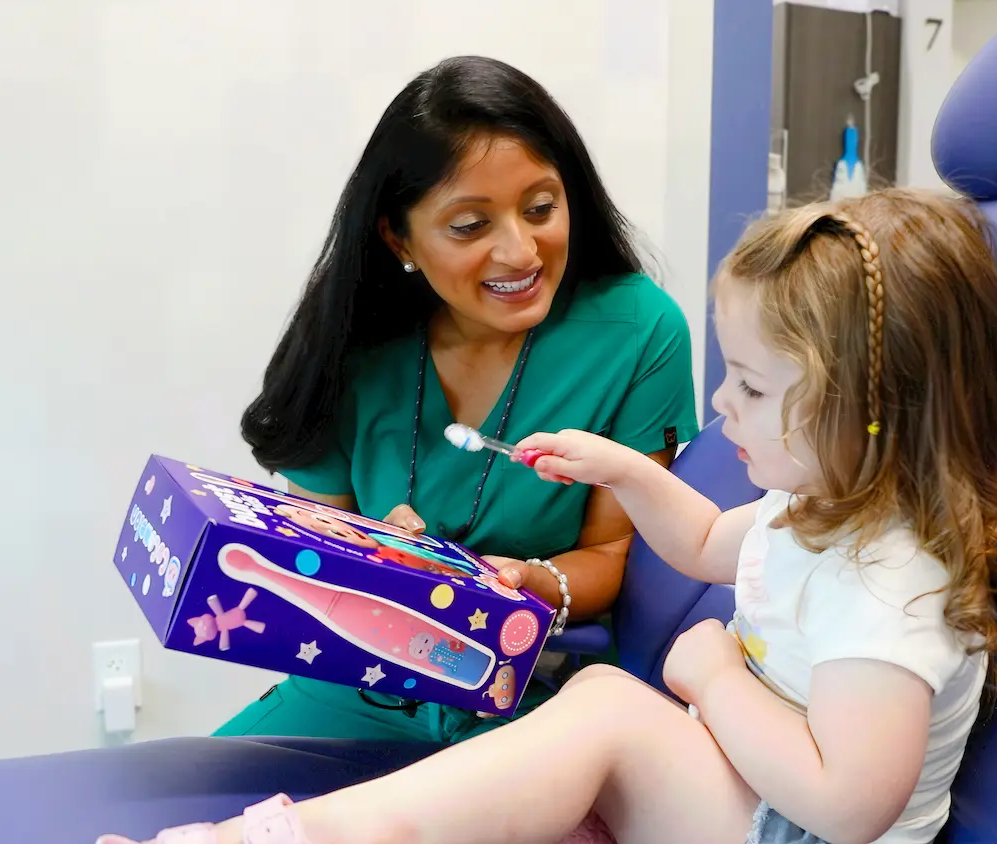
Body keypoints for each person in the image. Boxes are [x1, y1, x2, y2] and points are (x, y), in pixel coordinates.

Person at [100, 187, 997, 844]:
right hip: (745, 795)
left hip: (797, 829)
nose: (722, 408)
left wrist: (717, 680)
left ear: (878, 406)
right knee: (596, 715)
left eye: (752, 388)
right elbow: (712, 541)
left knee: (608, 715)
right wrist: (625, 470)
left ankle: (282, 839)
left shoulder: (893, 588)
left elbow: (848, 806)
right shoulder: (820, 504)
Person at [214, 55, 698, 745]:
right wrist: (377, 559)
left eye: (540, 208)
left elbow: (615, 555)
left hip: (530, 694)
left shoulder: (638, 332)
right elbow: (307, 548)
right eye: (470, 226)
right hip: (360, 682)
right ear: (397, 237)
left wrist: (523, 580)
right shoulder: (355, 340)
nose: (520, 252)